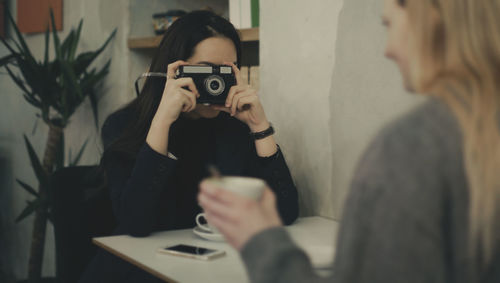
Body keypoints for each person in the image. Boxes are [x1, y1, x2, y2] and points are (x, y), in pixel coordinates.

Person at [198, 0, 500, 282]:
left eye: (389, 26)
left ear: (430, 22)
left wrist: (259, 239)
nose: (388, 50)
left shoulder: (411, 148)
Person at [79, 10, 298, 283]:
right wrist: (162, 122)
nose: (215, 83)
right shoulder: (125, 126)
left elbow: (285, 212)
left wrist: (259, 125)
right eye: (206, 70)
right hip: (138, 270)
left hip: (210, 267)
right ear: (175, 70)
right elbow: (136, 222)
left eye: (226, 70)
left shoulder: (233, 128)